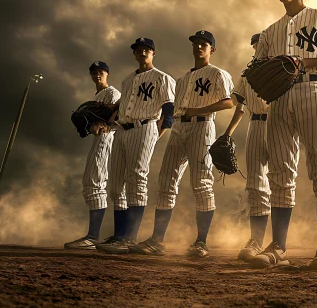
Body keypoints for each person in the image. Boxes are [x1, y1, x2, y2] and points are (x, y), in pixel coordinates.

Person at [248, 0, 317, 270]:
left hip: (314, 90)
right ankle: (278, 245)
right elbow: (257, 70)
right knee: (279, 169)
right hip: (279, 98)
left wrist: (303, 62)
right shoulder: (269, 32)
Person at [131, 30, 234, 258]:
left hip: (202, 126)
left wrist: (198, 110)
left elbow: (229, 102)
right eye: (196, 43)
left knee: (201, 183)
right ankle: (157, 240)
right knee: (166, 182)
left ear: (212, 49)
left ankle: (201, 242)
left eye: (204, 44)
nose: (199, 47)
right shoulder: (183, 79)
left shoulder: (218, 74)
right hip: (179, 127)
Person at [97, 38, 175, 254]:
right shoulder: (127, 80)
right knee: (115, 185)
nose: (142, 52)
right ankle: (120, 235)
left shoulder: (162, 78)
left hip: (145, 127)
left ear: (153, 53)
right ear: (134, 54)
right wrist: (106, 121)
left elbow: (169, 110)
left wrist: (157, 133)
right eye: (138, 50)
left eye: (146, 50)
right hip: (122, 129)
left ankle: (130, 238)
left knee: (136, 179)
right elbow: (121, 107)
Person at [222, 33, 271, 261]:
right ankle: (257, 241)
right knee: (255, 183)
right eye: (254, 44)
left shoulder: (282, 67)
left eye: (261, 43)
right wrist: (226, 134)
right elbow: (239, 108)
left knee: (282, 181)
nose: (257, 47)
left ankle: (280, 241)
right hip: (255, 124)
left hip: (279, 125)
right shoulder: (248, 75)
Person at [64, 61, 122, 250]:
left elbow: (116, 117)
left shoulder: (112, 93)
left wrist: (103, 123)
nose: (97, 74)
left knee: (94, 183)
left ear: (107, 74)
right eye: (94, 72)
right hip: (101, 139)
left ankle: (93, 237)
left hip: (108, 138)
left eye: (101, 71)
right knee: (93, 183)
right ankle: (95, 236)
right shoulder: (98, 94)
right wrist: (91, 125)